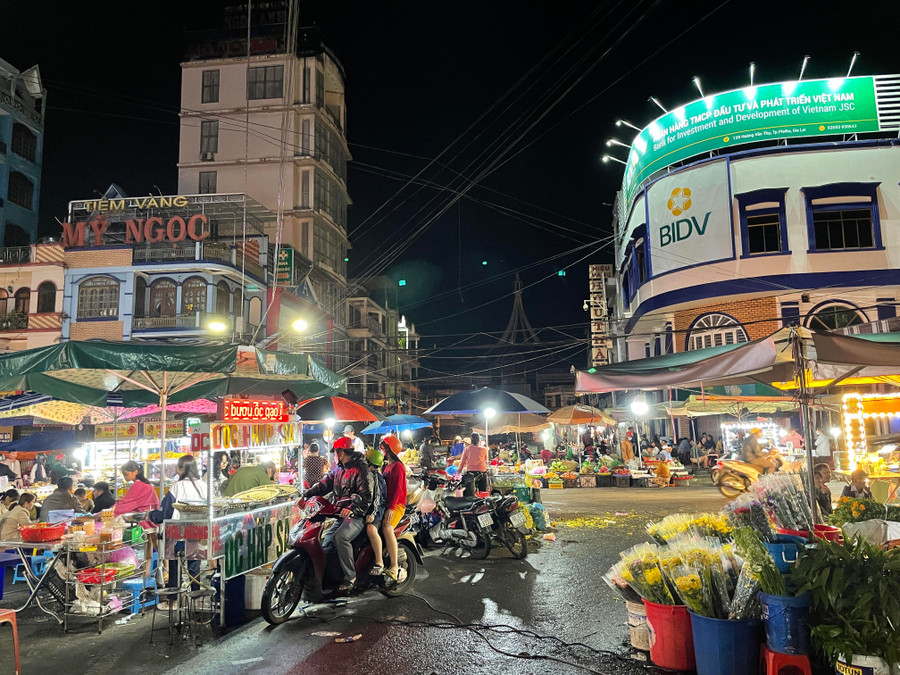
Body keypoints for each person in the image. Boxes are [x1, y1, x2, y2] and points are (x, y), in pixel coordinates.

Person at [303, 436, 373, 591]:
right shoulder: (338, 469)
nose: (334, 456)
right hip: (339, 514)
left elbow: (366, 497)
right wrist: (306, 494)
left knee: (341, 537)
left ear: (341, 453)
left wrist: (353, 509)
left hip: (357, 516)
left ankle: (351, 577)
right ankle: (333, 575)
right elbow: (324, 485)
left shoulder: (361, 469)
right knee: (327, 540)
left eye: (335, 453)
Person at [155, 455, 208, 606]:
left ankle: (174, 601)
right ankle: (196, 599)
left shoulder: (177, 487)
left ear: (182, 469)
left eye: (178, 467)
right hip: (199, 531)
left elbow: (165, 512)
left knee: (175, 564)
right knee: (194, 564)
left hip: (179, 531)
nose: (177, 471)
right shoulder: (204, 486)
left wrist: (152, 516)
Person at [379, 434, 408, 582]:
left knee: (386, 527)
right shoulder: (386, 465)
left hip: (396, 505)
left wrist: (390, 508)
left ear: (390, 449)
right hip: (386, 504)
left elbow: (397, 489)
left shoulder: (397, 467)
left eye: (384, 446)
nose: (382, 448)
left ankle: (394, 566)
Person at [364, 447, 387, 576]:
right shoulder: (366, 476)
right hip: (366, 510)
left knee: (371, 529)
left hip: (377, 511)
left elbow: (378, 499)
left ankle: (379, 561)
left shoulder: (377, 478)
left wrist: (372, 515)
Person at [458, 432, 488, 497]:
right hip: (482, 472)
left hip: (470, 473)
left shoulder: (467, 449)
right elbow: (485, 460)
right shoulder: (484, 449)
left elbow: (462, 462)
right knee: (482, 492)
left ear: (471, 440)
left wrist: (459, 472)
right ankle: (483, 504)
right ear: (479, 440)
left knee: (469, 493)